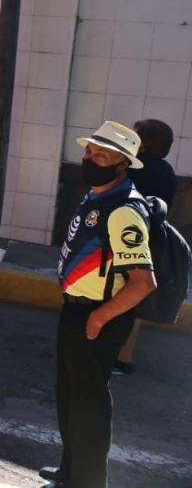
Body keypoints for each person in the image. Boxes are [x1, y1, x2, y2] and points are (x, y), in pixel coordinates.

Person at [42, 121, 157, 488]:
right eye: (90, 151)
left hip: (96, 314)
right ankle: (70, 471)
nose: (90, 159)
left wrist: (99, 318)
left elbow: (143, 282)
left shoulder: (124, 210)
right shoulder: (99, 195)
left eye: (101, 155)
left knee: (89, 405)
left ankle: (89, 482)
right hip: (77, 309)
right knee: (69, 396)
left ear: (122, 164)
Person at [114, 119, 177, 375]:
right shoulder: (167, 172)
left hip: (124, 238)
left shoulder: (133, 169)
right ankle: (123, 360)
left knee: (113, 295)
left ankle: (104, 354)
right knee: (132, 301)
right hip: (150, 241)